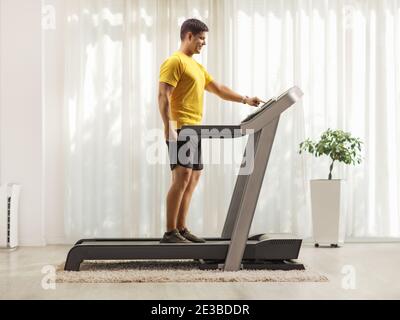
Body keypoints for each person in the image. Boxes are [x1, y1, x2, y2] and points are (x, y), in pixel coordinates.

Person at [158, 18, 264, 243]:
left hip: (195, 128)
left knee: (193, 177)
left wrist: (245, 99)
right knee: (181, 177)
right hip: (181, 127)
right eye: (201, 38)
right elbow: (163, 95)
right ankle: (170, 233)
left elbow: (219, 89)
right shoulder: (174, 61)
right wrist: (168, 128)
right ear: (189, 36)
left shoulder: (196, 66)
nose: (204, 43)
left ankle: (181, 228)